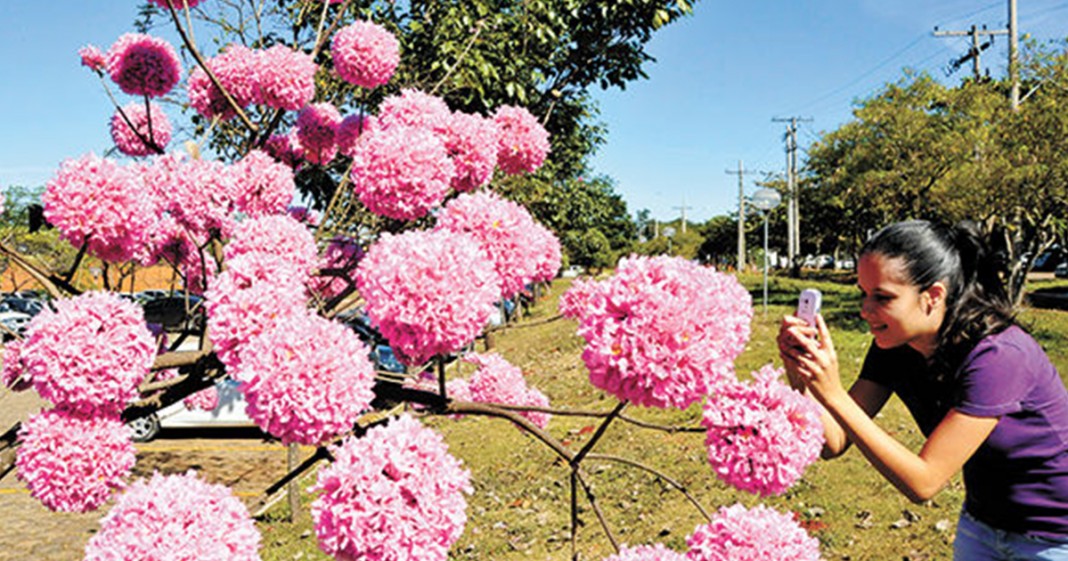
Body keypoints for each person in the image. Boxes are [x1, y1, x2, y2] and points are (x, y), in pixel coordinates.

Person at [778, 220, 1068, 560]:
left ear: (932, 296)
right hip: (983, 522)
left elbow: (924, 482)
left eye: (882, 297)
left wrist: (835, 395)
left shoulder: (998, 356)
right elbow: (833, 441)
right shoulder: (895, 346)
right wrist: (802, 375)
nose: (865, 310)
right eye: (863, 293)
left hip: (1053, 535)